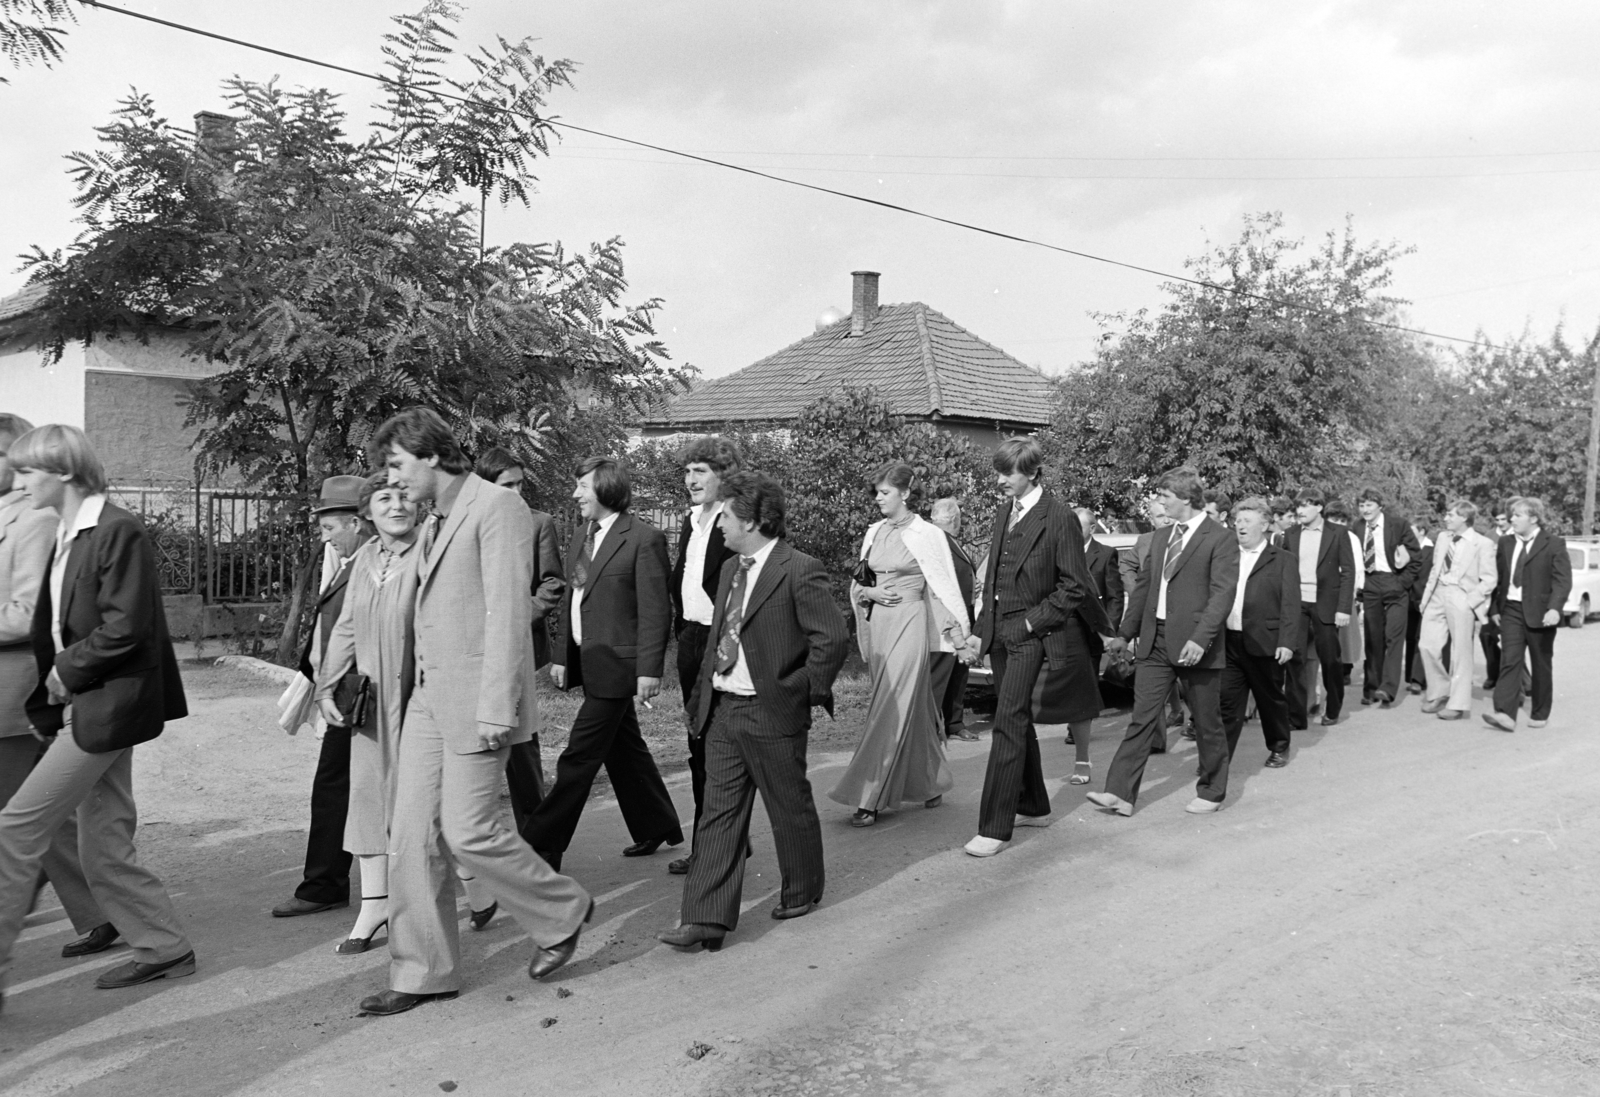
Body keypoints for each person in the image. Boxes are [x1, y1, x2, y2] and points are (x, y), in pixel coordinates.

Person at [359, 408, 591, 1018]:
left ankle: (561, 910)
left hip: (476, 702)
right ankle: (422, 971)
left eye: (399, 465)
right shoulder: (434, 520)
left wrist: (498, 707)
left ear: (429, 454)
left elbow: (506, 615)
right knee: (409, 836)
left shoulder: (496, 507)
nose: (395, 480)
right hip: (428, 700)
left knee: (469, 832)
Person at [0, 425, 194, 1007]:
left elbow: (127, 627)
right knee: (102, 839)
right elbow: (56, 623)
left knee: (16, 828)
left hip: (108, 706)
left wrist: (65, 671)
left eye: (28, 470)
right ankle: (163, 946)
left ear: (63, 471)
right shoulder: (69, 533)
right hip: (83, 706)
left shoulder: (116, 529)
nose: (19, 480)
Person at [658, 472, 849, 952]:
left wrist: (796, 691)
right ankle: (705, 918)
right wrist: (703, 698)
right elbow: (721, 636)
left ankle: (802, 889)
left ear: (752, 520)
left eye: (724, 515)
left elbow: (832, 640)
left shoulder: (799, 568)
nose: (718, 523)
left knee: (788, 805)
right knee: (717, 816)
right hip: (725, 710)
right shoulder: (729, 569)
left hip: (772, 709)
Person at [526, 457, 681, 872]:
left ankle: (540, 845)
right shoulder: (582, 535)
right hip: (588, 660)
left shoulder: (643, 538)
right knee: (624, 747)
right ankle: (657, 823)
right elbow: (576, 600)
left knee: (577, 757)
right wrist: (562, 656)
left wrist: (650, 669)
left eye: (582, 487)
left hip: (619, 665)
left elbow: (654, 610)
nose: (575, 494)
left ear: (607, 489)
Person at [0, 414, 111, 960]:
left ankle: (97, 911)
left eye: (6, 457)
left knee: (33, 815)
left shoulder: (34, 521)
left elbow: (27, 615)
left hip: (14, 691)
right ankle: (93, 910)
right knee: (27, 816)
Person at [1090, 466, 1238, 817]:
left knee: (1206, 721)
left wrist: (1201, 639)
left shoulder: (1219, 538)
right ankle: (1120, 794)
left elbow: (1222, 594)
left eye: (1163, 496)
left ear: (1185, 498)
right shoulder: (1159, 538)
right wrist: (1125, 634)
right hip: (1154, 644)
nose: (1158, 503)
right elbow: (1144, 590)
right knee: (1142, 719)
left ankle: (1213, 791)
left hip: (1195, 646)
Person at [965, 438, 1090, 855]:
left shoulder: (1059, 517)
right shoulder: (1005, 511)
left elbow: (1075, 587)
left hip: (1033, 635)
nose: (1000, 481)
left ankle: (995, 828)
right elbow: (993, 583)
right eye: (998, 472)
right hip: (1000, 634)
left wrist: (1032, 622)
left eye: (1008, 473)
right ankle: (1034, 803)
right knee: (1015, 717)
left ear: (1032, 472)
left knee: (1007, 722)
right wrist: (980, 632)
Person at [314, 474, 420, 953]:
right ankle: (375, 902)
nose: (397, 506)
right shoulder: (365, 561)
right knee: (367, 802)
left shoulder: (430, 551)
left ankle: (476, 891)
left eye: (404, 496)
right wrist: (326, 686)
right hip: (372, 703)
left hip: (422, 701)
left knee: (426, 806)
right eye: (384, 499)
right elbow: (347, 627)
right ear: (368, 513)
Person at [829, 463, 966, 825]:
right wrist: (869, 590)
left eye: (884, 492)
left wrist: (957, 637)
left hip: (910, 622)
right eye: (876, 492)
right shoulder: (874, 532)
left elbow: (940, 589)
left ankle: (869, 795)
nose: (877, 499)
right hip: (880, 626)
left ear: (904, 494)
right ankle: (930, 782)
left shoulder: (928, 535)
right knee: (912, 707)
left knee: (890, 706)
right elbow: (860, 580)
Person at [271, 477, 371, 919]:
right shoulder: (352, 562)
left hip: (360, 696)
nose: (324, 536)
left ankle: (325, 884)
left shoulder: (368, 564)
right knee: (338, 787)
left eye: (330, 527)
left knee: (336, 787)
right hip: (345, 693)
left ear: (355, 522)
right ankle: (326, 882)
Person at [473, 447, 563, 864]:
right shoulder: (469, 524)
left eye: (519, 484)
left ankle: (538, 844)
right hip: (472, 650)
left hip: (519, 649)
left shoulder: (539, 523)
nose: (515, 492)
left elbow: (552, 584)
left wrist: (517, 615)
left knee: (522, 747)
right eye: (505, 485)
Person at [666, 435, 742, 875]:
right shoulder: (692, 522)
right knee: (698, 744)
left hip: (724, 645)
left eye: (700, 472)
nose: (690, 479)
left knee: (720, 748)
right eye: (688, 471)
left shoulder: (732, 522)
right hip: (692, 641)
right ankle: (714, 842)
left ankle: (716, 846)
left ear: (722, 476)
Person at [1038, 506, 1116, 785]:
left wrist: (1107, 635)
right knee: (1022, 703)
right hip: (1035, 631)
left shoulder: (1072, 556)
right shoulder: (1034, 549)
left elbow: (1087, 596)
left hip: (1072, 633)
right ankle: (1025, 765)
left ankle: (1082, 760)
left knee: (1081, 699)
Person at [1219, 498, 1299, 768]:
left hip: (1266, 642)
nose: (1239, 526)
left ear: (1264, 525)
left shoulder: (1283, 560)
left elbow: (1290, 603)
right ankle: (1219, 759)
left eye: (1247, 521)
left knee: (1270, 700)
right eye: (1238, 520)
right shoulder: (1226, 555)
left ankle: (1279, 746)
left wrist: (1287, 641)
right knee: (1227, 703)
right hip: (1229, 641)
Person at [1484, 497, 1571, 733]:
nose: (1511, 519)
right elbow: (1499, 578)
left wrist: (1555, 608)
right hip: (1511, 609)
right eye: (1511, 515)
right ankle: (1504, 713)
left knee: (1541, 663)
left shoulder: (1553, 544)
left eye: (1517, 515)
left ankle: (1540, 712)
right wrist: (1493, 609)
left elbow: (1562, 581)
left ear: (1533, 518)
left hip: (1541, 613)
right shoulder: (1505, 543)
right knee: (1510, 660)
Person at [1282, 489, 1355, 729]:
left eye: (1305, 506)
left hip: (1326, 605)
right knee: (1295, 659)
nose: (1299, 511)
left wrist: (1343, 608)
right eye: (1298, 507)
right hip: (1297, 605)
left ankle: (1332, 708)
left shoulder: (1338, 533)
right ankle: (1296, 716)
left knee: (1330, 659)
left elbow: (1348, 572)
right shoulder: (1291, 534)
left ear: (1319, 508)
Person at [1418, 501, 1497, 721]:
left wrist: (1470, 600)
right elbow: (1435, 570)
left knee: (1461, 653)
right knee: (1427, 645)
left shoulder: (1483, 543)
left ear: (1464, 517)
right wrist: (1426, 599)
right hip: (1437, 594)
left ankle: (1458, 703)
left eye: (1450, 515)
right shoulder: (1443, 537)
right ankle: (1440, 691)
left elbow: (1489, 579)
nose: (1446, 518)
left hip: (1462, 597)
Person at [1354, 487, 1420, 707]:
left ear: (1380, 506)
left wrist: (1402, 583)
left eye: (1369, 505)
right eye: (1362, 505)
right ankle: (1371, 688)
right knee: (1373, 639)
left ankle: (1387, 689)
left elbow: (1416, 557)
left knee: (1394, 637)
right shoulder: (1357, 527)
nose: (1365, 510)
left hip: (1394, 583)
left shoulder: (1398, 525)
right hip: (1370, 584)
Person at [928, 498, 978, 742]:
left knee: (959, 674)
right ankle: (932, 727)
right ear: (953, 519)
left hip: (961, 617)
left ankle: (954, 723)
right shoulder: (935, 541)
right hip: (944, 621)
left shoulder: (951, 542)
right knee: (940, 674)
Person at [1323, 500, 1366, 690]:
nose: (1337, 523)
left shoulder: (1351, 538)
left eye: (1341, 520)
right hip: (1324, 590)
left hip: (1345, 588)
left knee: (1346, 632)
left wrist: (1356, 591)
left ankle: (1345, 668)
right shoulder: (1321, 536)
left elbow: (1356, 568)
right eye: (1333, 519)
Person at [1480, 507, 1513, 688]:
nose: (1501, 523)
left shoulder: (1516, 534)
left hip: (1509, 592)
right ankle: (1493, 674)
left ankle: (1524, 682)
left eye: (1503, 519)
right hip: (1491, 591)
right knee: (1486, 635)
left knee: (1511, 640)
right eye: (1497, 519)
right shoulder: (1488, 536)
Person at [1404, 519, 1434, 694]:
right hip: (1408, 599)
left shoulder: (1433, 550)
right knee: (1409, 638)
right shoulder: (1407, 549)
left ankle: (1418, 679)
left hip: (1425, 599)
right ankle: (1410, 676)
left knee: (1421, 639)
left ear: (1422, 531)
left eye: (1412, 529)